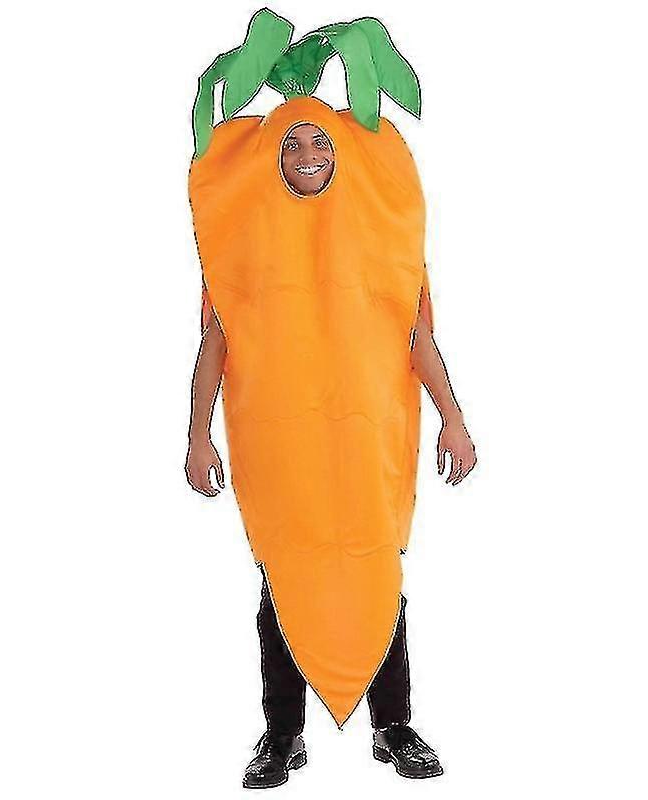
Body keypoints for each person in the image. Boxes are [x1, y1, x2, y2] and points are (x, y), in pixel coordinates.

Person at [186, 117, 477, 787]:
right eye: (290, 143)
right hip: (280, 438)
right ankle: (282, 734)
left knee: (374, 568)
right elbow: (216, 340)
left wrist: (453, 417)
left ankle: (393, 726)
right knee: (286, 575)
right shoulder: (246, 238)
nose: (307, 154)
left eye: (320, 142)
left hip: (366, 431)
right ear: (271, 158)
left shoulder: (376, 235)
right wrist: (197, 433)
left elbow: (414, 332)